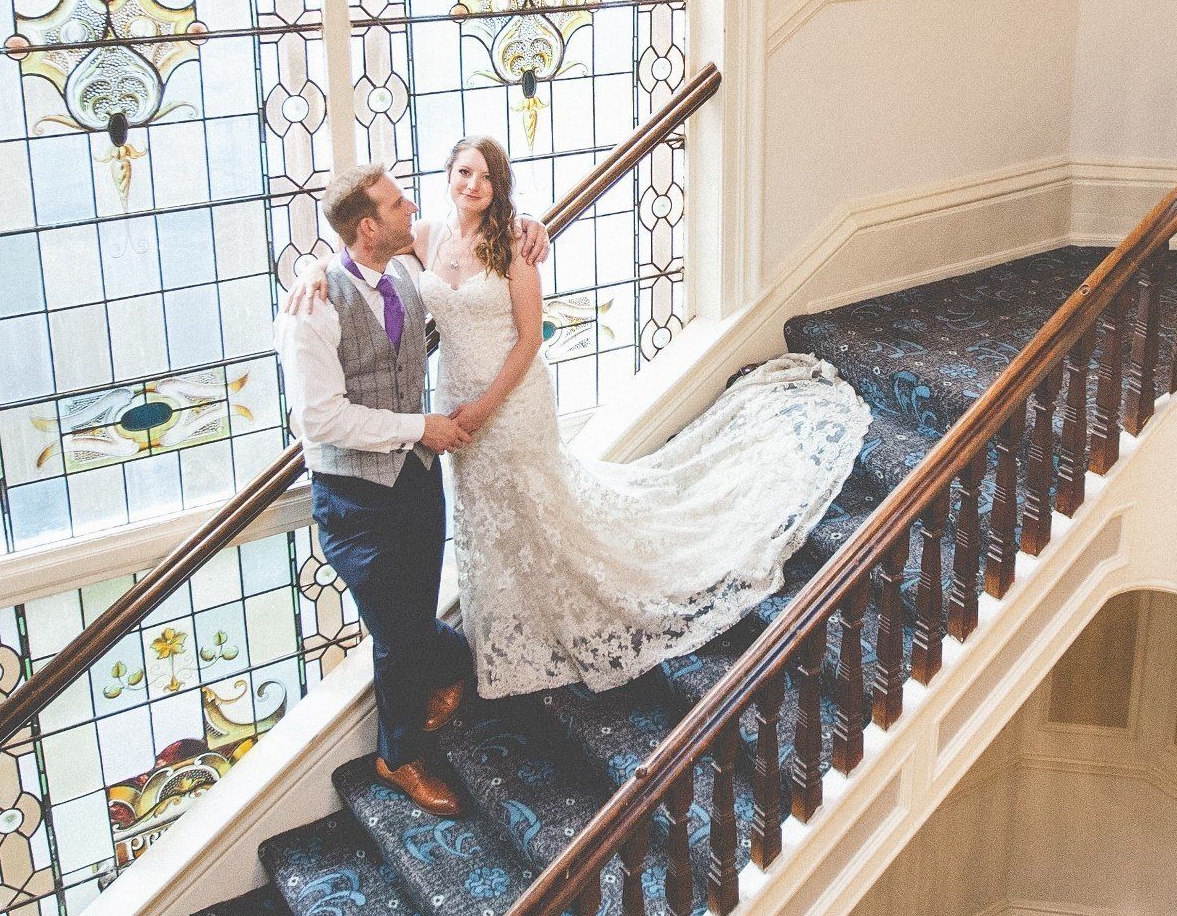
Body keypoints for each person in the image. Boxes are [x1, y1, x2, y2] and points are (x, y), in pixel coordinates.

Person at [294, 138, 870, 703]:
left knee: (539, 509)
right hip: (451, 409)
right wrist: (312, 270)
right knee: (486, 518)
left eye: (485, 177)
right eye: (462, 172)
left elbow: (527, 342)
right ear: (446, 177)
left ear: (499, 189)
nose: (471, 185)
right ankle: (505, 633)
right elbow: (356, 256)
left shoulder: (514, 247)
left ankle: (562, 614)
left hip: (510, 403)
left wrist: (485, 407)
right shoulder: (421, 239)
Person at [271, 163, 540, 815]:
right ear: (368, 227)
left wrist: (528, 226)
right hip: (355, 500)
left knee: (409, 617)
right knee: (398, 630)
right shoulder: (311, 308)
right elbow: (319, 419)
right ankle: (401, 756)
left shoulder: (405, 274)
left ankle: (442, 676)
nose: (410, 206)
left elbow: (468, 253)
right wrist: (422, 426)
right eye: (396, 204)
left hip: (418, 482)